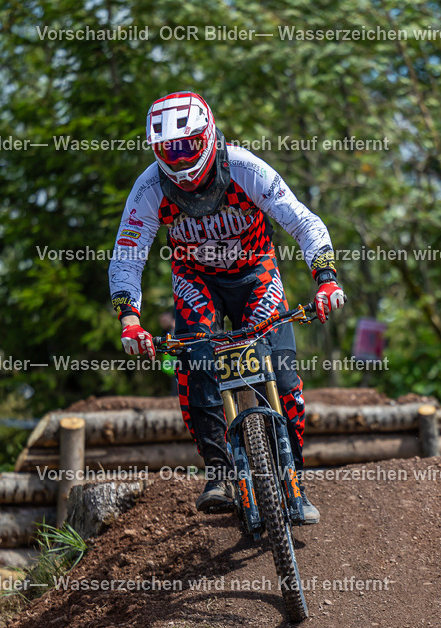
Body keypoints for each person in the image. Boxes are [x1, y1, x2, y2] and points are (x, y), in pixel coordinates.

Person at [108, 91, 345, 523]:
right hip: (196, 279)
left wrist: (326, 279)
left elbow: (301, 220)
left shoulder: (244, 167)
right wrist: (130, 320)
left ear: (209, 135)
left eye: (187, 146)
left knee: (284, 376)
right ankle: (218, 473)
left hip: (256, 272)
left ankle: (294, 478)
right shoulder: (148, 188)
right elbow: (128, 254)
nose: (179, 160)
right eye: (168, 150)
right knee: (195, 364)